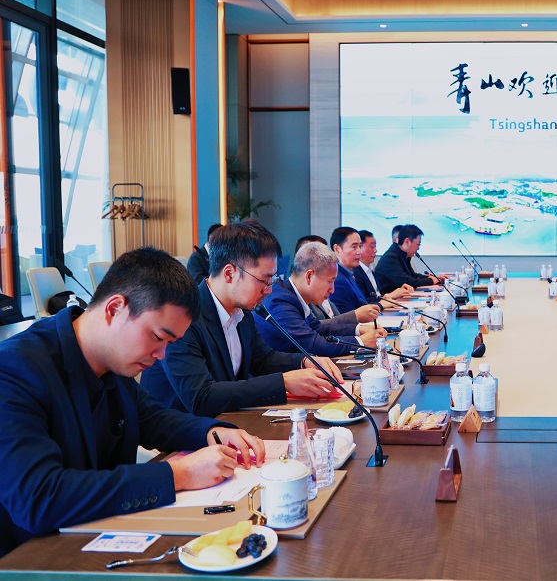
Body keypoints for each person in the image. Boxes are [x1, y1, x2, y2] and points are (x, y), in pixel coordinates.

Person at [0, 247, 264, 556]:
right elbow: (38, 498)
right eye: (158, 337)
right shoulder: (16, 369)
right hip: (34, 556)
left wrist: (212, 432)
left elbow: (150, 417)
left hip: (100, 535)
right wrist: (179, 474)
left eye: (170, 344)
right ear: (115, 309)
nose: (161, 355)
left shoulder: (111, 358)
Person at [140, 221, 344, 417]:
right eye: (264, 280)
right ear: (229, 273)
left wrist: (305, 361)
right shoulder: (185, 316)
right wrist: (283, 382)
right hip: (183, 432)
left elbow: (262, 359)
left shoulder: (242, 311)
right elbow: (201, 397)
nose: (269, 290)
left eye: (272, 280)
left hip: (229, 420)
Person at [255, 242, 382, 357]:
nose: (332, 290)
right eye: (330, 281)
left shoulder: (293, 294)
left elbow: (320, 329)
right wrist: (362, 341)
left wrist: (359, 330)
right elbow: (314, 345)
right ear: (309, 276)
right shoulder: (280, 302)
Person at [328, 227, 391, 317]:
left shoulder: (348, 274)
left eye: (360, 246)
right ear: (337, 249)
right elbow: (348, 317)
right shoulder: (337, 279)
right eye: (354, 247)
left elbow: (361, 305)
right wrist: (380, 305)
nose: (359, 252)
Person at [374, 224, 444, 290]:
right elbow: (407, 281)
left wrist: (433, 278)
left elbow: (413, 276)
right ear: (407, 241)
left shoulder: (403, 255)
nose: (418, 248)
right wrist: (431, 280)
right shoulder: (390, 258)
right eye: (418, 244)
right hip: (390, 297)